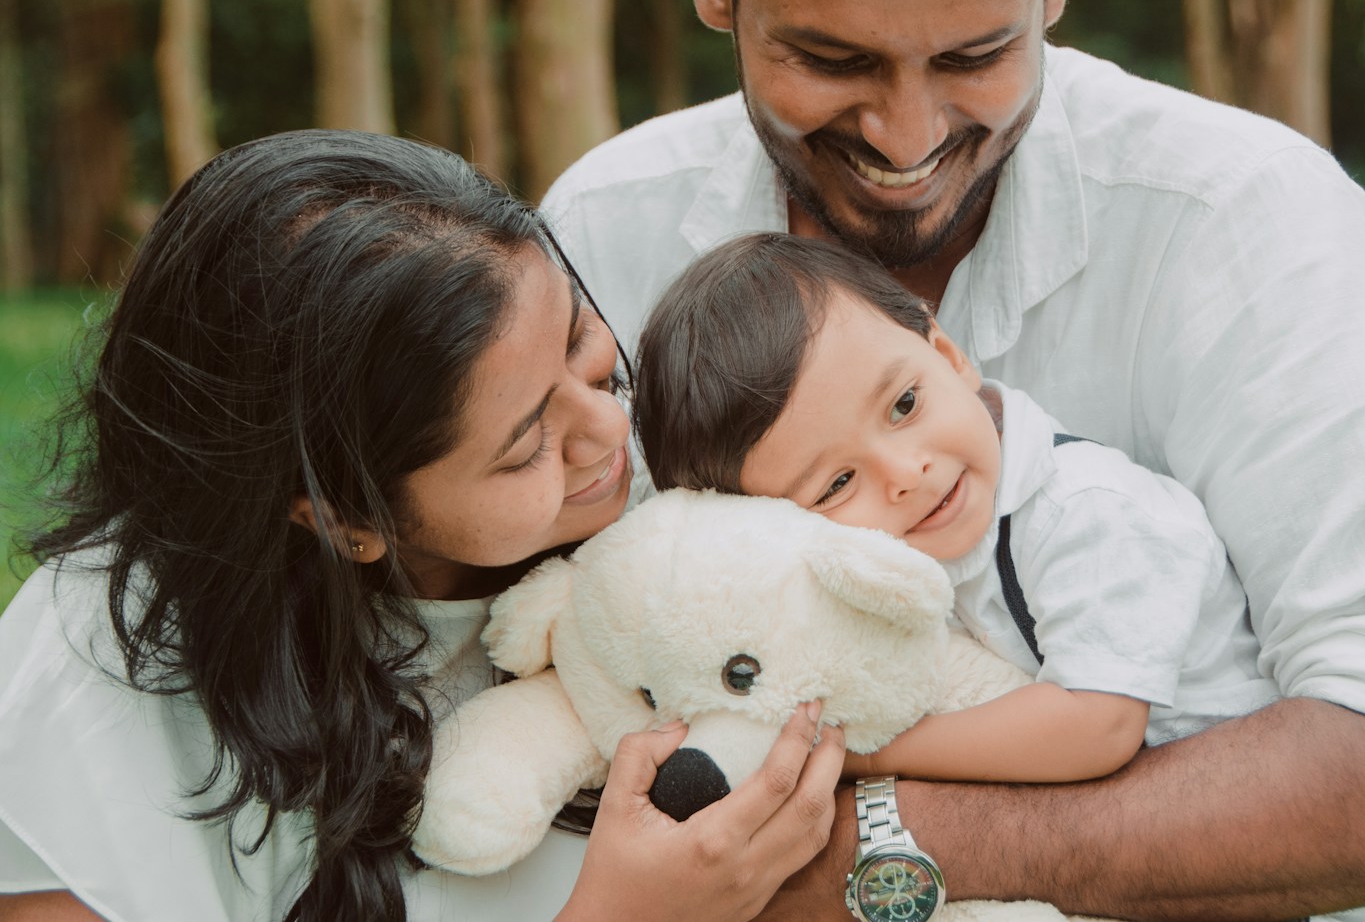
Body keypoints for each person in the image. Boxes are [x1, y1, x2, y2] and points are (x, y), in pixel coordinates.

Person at [541, 0, 1365, 919]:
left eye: (976, 54)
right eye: (831, 58)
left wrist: (859, 855)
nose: (904, 136)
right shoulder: (606, 235)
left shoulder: (1247, 221)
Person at [0, 129, 844, 922]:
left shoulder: (675, 507)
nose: (609, 430)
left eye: (583, 346)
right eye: (525, 447)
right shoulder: (100, 680)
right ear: (346, 516)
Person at [634, 232, 1284, 784]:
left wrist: (863, 752)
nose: (905, 472)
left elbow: (1098, 722)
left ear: (946, 353)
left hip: (1233, 815)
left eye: (904, 405)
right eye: (835, 484)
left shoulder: (1084, 508)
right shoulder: (871, 565)